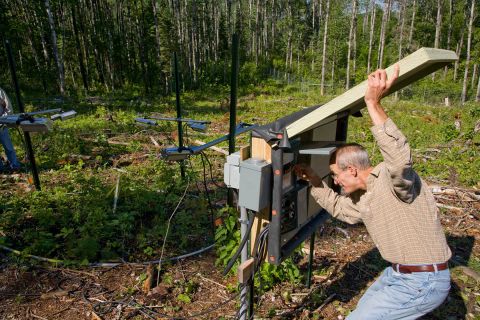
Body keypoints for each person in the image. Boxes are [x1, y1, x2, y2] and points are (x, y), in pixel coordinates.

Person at [295, 65, 451, 319]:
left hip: (423, 280)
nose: (335, 181)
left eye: (336, 174)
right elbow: (340, 209)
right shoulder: (364, 196)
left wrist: (373, 104)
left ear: (353, 170)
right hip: (399, 274)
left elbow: (400, 161)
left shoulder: (393, 182)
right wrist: (314, 180)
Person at [0, 87, 21, 172]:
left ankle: (14, 165)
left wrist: (3, 119)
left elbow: (8, 107)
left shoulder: (0, 91)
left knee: (8, 147)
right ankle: (0, 169)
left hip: (1, 124)